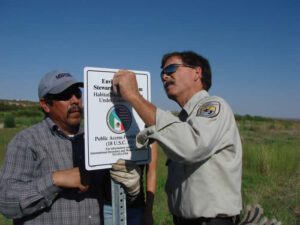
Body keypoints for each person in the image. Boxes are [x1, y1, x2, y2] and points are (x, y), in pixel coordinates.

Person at [111, 51, 243, 225]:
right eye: (162, 73)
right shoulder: (182, 120)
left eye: (171, 69)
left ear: (197, 73)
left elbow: (190, 147)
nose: (165, 76)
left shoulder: (214, 106)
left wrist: (133, 96)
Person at [0, 70, 141, 225]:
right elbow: (7, 202)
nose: (75, 100)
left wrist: (129, 189)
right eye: (65, 95)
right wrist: (55, 180)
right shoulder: (27, 142)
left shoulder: (94, 141)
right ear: (45, 105)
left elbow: (109, 194)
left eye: (77, 93)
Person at [103, 142, 157, 225]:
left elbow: (151, 173)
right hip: (108, 206)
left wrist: (149, 211)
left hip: (136, 206)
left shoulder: (147, 132)